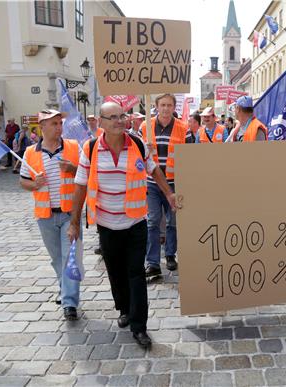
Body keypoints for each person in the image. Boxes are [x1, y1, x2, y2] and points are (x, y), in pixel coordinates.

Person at [69, 102, 180, 349]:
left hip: (135, 223)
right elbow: (80, 186)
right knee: (116, 273)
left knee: (136, 274)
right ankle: (124, 309)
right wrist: (74, 222)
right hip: (106, 226)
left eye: (122, 116)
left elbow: (155, 170)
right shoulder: (90, 148)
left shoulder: (138, 144)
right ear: (101, 122)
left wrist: (169, 194)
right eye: (113, 117)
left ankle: (139, 326)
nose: (120, 121)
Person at [19, 109, 81, 320]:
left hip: (69, 215)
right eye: (53, 124)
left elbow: (86, 174)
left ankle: (69, 303)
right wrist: (33, 184)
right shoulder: (30, 152)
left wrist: (73, 168)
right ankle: (65, 291)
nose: (58, 127)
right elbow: (22, 181)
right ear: (42, 126)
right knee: (56, 259)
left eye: (60, 123)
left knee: (69, 259)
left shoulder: (73, 147)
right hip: (45, 216)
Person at [139, 94, 194, 277]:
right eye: (162, 105)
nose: (165, 108)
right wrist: (144, 150)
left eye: (169, 105)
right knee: (153, 221)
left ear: (174, 107)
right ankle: (153, 262)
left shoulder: (183, 128)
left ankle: (170, 255)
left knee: (173, 222)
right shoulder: (145, 126)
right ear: (156, 106)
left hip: (174, 182)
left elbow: (191, 156)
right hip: (152, 183)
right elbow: (137, 156)